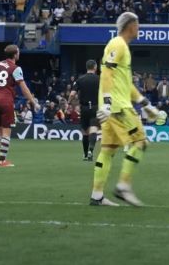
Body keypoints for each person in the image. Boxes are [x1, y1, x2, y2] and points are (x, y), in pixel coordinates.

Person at [90, 12, 159, 207]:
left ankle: (97, 195)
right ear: (130, 25)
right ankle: (123, 186)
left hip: (116, 105)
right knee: (141, 142)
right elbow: (106, 75)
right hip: (118, 107)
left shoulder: (123, 47)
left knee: (108, 150)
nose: (139, 28)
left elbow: (126, 84)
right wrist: (107, 103)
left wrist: (145, 103)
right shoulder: (118, 44)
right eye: (137, 24)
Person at [0, 45, 40, 167]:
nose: (19, 54)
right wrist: (33, 102)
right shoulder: (16, 68)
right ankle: (2, 160)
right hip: (6, 101)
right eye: (18, 52)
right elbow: (24, 88)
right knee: (6, 132)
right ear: (15, 54)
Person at [69, 60, 100, 161]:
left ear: (87, 67)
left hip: (84, 108)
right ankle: (91, 150)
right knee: (94, 129)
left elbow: (72, 94)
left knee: (85, 132)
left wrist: (69, 103)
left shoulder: (80, 79)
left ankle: (86, 154)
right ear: (95, 67)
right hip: (95, 107)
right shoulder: (99, 79)